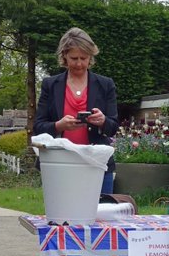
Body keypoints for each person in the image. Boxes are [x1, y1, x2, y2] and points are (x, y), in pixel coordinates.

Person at [33, 27, 119, 195]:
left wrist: (102, 121)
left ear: (91, 57)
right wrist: (59, 125)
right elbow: (38, 126)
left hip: (97, 165)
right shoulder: (50, 85)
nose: (79, 63)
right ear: (64, 56)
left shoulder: (105, 84)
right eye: (74, 58)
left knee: (100, 217)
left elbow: (113, 126)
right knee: (61, 218)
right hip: (59, 164)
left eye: (84, 58)